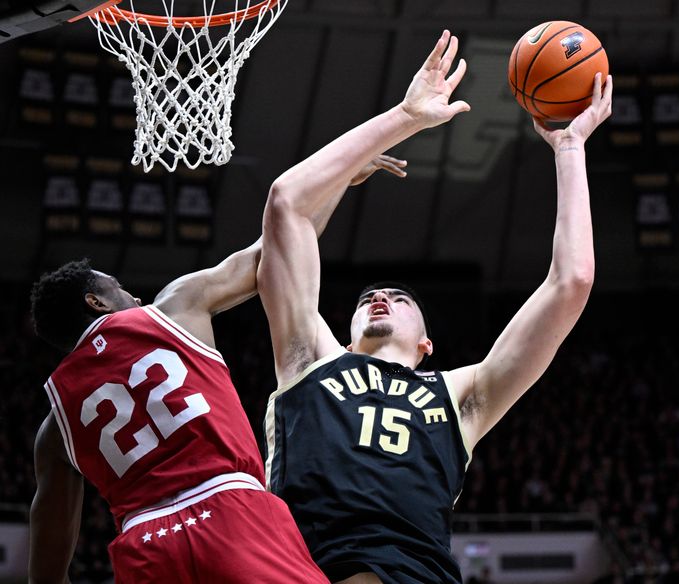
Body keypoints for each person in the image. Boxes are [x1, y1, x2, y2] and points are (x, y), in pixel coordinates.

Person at [258, 28, 613, 584]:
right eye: (370, 298)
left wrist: (570, 149)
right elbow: (287, 204)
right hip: (309, 569)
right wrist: (407, 117)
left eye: (400, 299)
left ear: (428, 344)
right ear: (348, 335)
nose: (381, 297)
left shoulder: (461, 396)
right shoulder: (309, 358)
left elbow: (572, 282)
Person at [27, 155, 405, 583]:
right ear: (95, 302)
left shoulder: (54, 426)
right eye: (119, 289)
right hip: (229, 511)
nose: (133, 295)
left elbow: (51, 540)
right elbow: (277, 253)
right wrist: (339, 180)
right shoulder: (172, 308)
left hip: (145, 548)